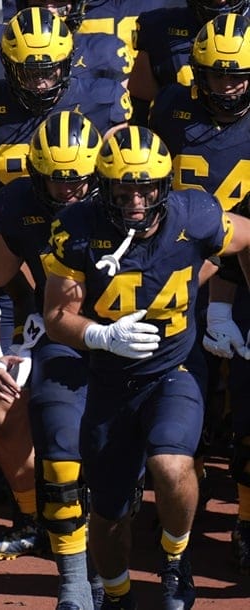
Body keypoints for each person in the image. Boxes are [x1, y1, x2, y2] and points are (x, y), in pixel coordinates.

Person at [42, 125, 250, 609]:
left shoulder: (194, 214)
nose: (136, 201)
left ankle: (175, 559)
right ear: (104, 186)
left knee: (171, 462)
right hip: (109, 382)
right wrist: (100, 335)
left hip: (172, 370)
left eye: (146, 188)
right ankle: (116, 592)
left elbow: (245, 238)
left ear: (164, 186)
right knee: (109, 513)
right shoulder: (78, 227)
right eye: (124, 188)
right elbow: (56, 316)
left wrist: (222, 303)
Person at [0, 110, 104, 608]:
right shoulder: (20, 204)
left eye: (79, 181)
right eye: (56, 180)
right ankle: (35, 518)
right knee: (2, 405)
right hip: (47, 323)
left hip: (126, 324)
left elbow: (187, 255)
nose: (68, 192)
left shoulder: (125, 201)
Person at [150, 12, 250, 575]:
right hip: (174, 269)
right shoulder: (171, 109)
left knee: (244, 405)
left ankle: (243, 515)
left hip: (238, 265)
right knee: (180, 393)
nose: (229, 85)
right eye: (216, 75)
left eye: (238, 75)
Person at [0, 7, 129, 195]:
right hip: (10, 218)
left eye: (49, 71)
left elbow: (120, 180)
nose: (41, 85)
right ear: (8, 64)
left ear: (67, 64)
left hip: (77, 218)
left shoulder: (102, 102)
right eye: (29, 73)